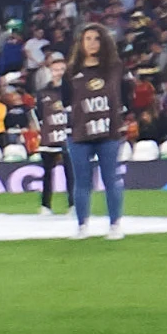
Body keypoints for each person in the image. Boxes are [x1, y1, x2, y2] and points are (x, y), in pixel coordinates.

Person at [59, 25, 131, 238]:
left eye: (96, 39)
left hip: (109, 133)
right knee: (82, 181)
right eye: (87, 38)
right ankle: (82, 226)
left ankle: (115, 225)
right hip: (79, 135)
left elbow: (127, 95)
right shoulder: (71, 71)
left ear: (104, 42)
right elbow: (65, 100)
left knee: (111, 179)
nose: (91, 43)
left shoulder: (116, 68)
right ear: (80, 43)